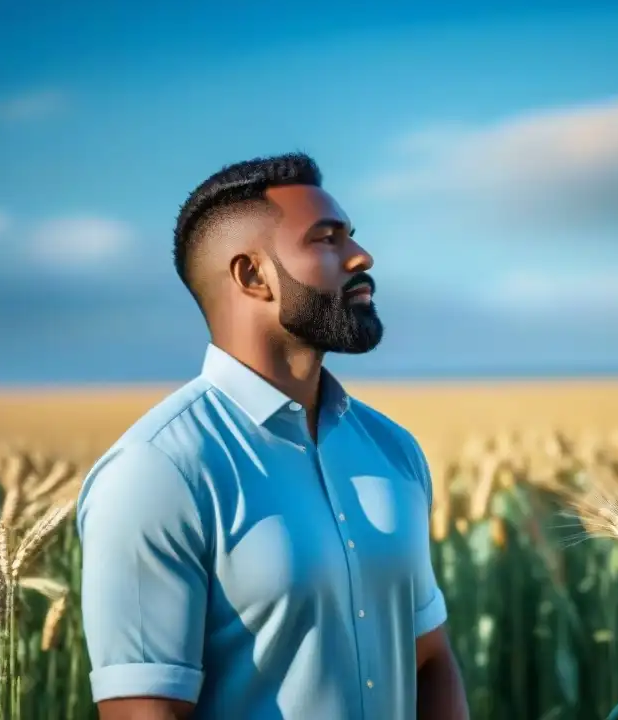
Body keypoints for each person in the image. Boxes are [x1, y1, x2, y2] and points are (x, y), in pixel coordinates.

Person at [76, 153, 469, 719]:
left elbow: (430, 659)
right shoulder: (157, 472)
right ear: (252, 275)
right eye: (326, 239)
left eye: (350, 236)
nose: (361, 256)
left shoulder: (394, 452)